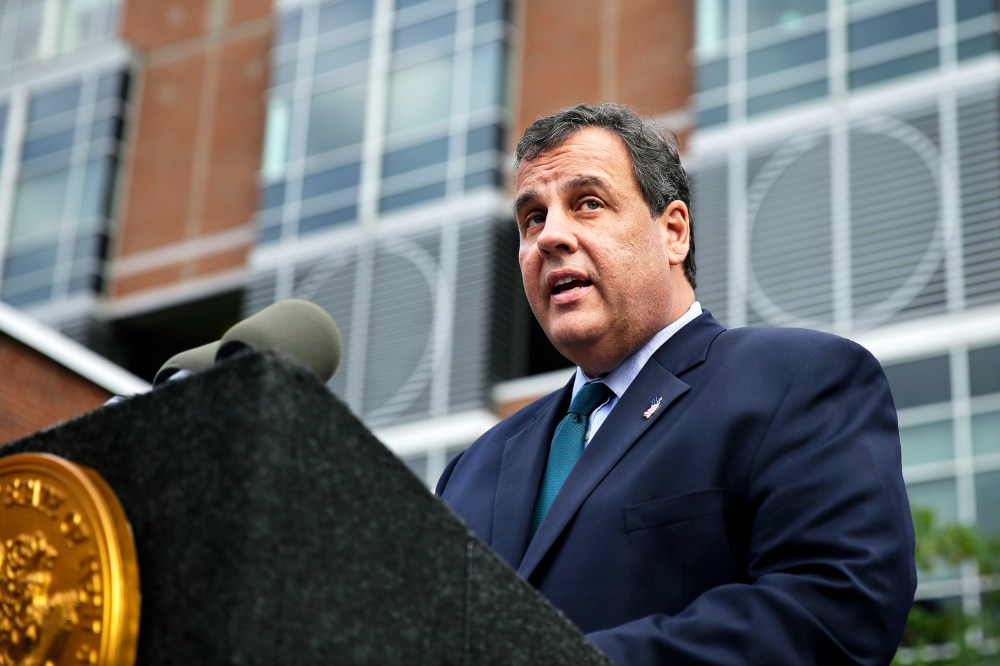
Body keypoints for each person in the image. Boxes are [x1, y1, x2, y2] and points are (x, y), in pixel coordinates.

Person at [436, 102, 916, 665]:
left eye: (587, 204)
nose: (551, 237)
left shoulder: (799, 380)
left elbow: (835, 612)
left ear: (673, 233)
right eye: (532, 218)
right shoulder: (470, 470)